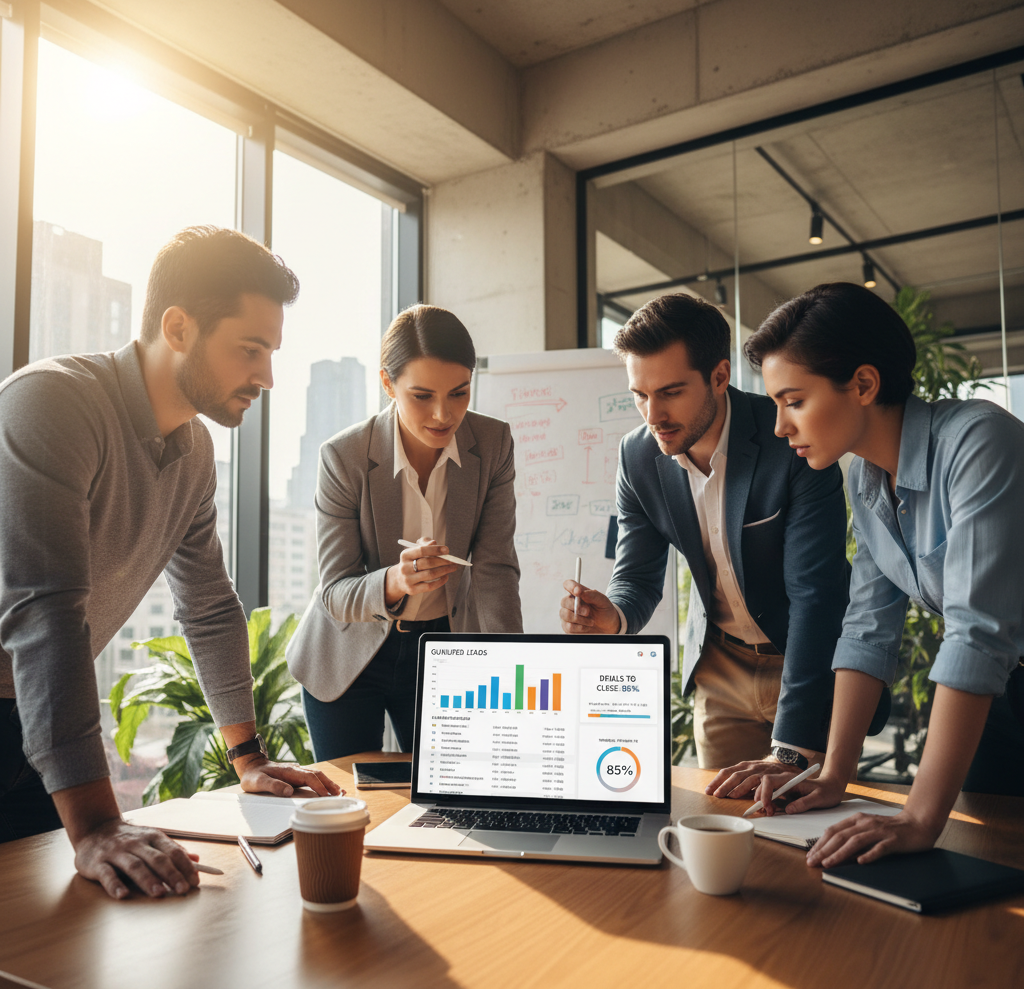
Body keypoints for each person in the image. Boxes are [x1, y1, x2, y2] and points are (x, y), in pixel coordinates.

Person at [0, 226, 341, 899]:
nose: (267, 377)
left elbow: (209, 607)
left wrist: (248, 758)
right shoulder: (53, 404)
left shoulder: (194, 455)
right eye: (251, 349)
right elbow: (46, 614)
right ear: (178, 326)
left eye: (270, 352)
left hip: (26, 722)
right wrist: (99, 822)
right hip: (35, 703)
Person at [741, 281, 1024, 869]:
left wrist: (919, 816)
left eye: (793, 401)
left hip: (992, 671)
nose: (779, 427)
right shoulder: (865, 481)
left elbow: (976, 631)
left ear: (864, 384)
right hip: (1000, 699)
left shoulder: (978, 441)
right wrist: (834, 773)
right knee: (984, 871)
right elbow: (868, 627)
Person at [559, 293, 856, 776]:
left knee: (812, 834)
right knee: (720, 826)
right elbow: (636, 574)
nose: (652, 414)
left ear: (720, 376)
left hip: (804, 662)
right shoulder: (637, 456)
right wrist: (612, 617)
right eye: (640, 395)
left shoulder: (790, 440)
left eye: (671, 392)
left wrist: (793, 744)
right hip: (719, 670)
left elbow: (815, 596)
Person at [287, 305, 522, 760]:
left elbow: (496, 570)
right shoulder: (345, 456)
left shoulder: (492, 444)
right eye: (421, 396)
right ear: (387, 383)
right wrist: (397, 581)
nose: (443, 414)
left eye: (459, 393)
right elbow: (335, 592)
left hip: (446, 652)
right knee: (355, 810)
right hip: (346, 656)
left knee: (452, 804)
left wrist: (511, 669)